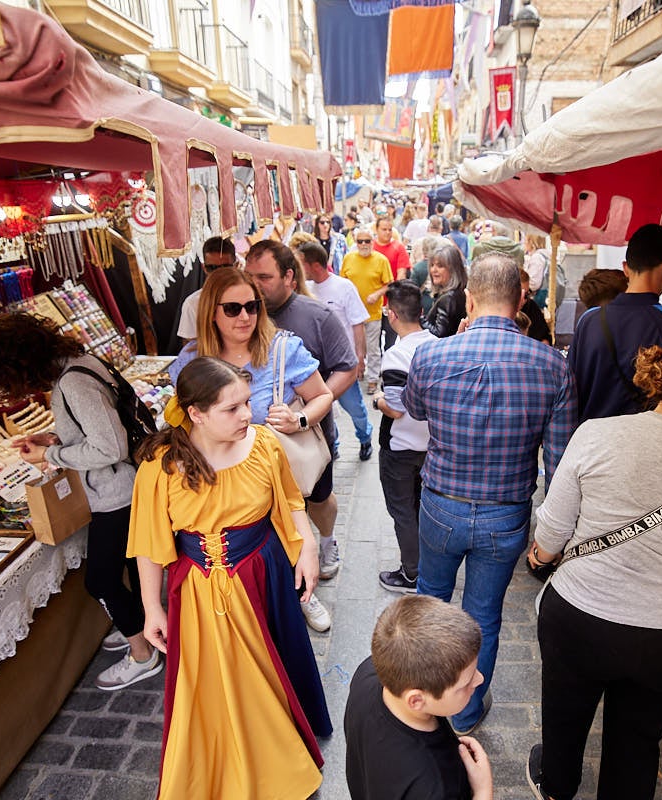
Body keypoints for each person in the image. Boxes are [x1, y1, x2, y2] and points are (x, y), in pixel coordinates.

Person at [524, 326, 662, 800]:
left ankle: (555, 785)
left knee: (563, 721)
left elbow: (552, 530)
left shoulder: (597, 434)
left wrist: (540, 557)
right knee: (637, 743)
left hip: (578, 617)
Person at [129, 357, 331, 800]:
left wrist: (308, 548)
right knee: (217, 683)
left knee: (273, 662)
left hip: (265, 574)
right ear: (196, 413)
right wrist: (152, 608)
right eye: (232, 409)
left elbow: (290, 501)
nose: (246, 415)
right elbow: (148, 545)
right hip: (200, 592)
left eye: (246, 403)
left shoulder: (263, 444)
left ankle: (282, 746)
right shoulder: (159, 467)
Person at [404, 252, 576, 735]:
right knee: (484, 616)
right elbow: (558, 463)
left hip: (440, 504)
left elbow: (414, 410)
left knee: (431, 601)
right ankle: (465, 710)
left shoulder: (432, 353)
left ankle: (422, 699)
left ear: (469, 299)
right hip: (506, 513)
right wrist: (553, 534)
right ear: (521, 298)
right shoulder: (552, 366)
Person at [0, 313, 160, 690]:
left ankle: (142, 653)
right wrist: (53, 438)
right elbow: (99, 424)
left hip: (117, 493)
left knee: (102, 580)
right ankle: (144, 631)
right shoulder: (80, 363)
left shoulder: (71, 383)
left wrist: (50, 457)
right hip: (130, 485)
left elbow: (109, 446)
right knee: (135, 568)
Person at [167, 267, 338, 632]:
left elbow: (322, 395)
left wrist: (300, 420)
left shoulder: (282, 349)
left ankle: (303, 593)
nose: (245, 316)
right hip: (220, 479)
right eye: (232, 308)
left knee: (287, 534)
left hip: (275, 472)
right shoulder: (190, 360)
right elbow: (183, 419)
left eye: (252, 306)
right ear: (211, 311)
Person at [246, 240, 361, 622]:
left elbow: (347, 367)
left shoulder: (317, 316)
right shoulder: (237, 324)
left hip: (306, 438)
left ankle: (327, 543)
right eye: (250, 277)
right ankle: (295, 586)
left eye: (264, 277)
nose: (255, 286)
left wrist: (311, 412)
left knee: (318, 500)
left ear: (289, 277)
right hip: (258, 451)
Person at [345, 595, 493, 800]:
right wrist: (483, 791)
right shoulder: (435, 786)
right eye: (466, 683)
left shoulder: (369, 671)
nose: (479, 679)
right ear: (416, 700)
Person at [568, 224, 662, 422]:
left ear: (625, 268)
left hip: (587, 443)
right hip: (644, 447)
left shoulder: (589, 320)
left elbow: (570, 389)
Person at [373, 281, 437, 593]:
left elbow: (396, 409)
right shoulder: (439, 344)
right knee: (421, 509)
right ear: (422, 312)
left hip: (400, 447)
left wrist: (376, 399)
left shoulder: (397, 355)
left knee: (403, 512)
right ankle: (427, 567)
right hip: (431, 445)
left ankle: (412, 575)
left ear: (392, 315)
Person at [297, 241, 374, 461]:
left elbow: (357, 324)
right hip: (316, 367)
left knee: (354, 407)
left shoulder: (344, 287)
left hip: (342, 363)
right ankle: (334, 442)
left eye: (302, 264)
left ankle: (364, 436)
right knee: (324, 408)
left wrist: (360, 357)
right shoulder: (306, 289)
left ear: (314, 265)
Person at [342, 229, 394, 394]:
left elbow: (389, 283)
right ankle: (357, 371)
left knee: (373, 349)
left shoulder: (381, 260)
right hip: (352, 314)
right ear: (356, 243)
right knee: (355, 347)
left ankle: (373, 379)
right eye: (360, 241)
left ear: (373, 242)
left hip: (372, 313)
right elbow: (342, 282)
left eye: (367, 241)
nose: (363, 245)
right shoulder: (348, 258)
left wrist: (377, 294)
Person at [176, 236, 239, 346]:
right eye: (212, 268)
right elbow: (190, 348)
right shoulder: (193, 303)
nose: (219, 273)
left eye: (225, 267)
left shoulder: (249, 298)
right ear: (204, 268)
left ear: (236, 266)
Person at [422, 245, 468, 338]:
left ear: (453, 269)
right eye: (432, 265)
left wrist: (420, 319)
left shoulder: (448, 298)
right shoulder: (459, 291)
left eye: (440, 266)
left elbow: (440, 333)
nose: (433, 270)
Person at [373, 216, 412, 281]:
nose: (387, 232)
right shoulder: (370, 247)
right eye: (384, 229)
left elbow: (402, 273)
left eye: (390, 230)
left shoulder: (399, 247)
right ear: (377, 230)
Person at [518, 269, 552, 344]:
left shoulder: (531, 306)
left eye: (526, 294)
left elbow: (545, 337)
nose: (524, 300)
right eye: (520, 294)